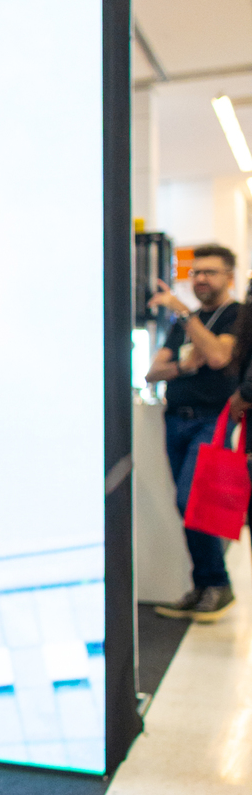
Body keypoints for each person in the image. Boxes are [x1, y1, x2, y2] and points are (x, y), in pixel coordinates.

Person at [147, 244, 240, 620]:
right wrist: (185, 366)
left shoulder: (237, 315)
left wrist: (184, 314)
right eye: (196, 272)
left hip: (212, 420)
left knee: (194, 501)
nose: (201, 278)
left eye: (210, 272)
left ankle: (217, 583)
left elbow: (218, 356)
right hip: (175, 420)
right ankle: (203, 585)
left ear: (228, 277)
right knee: (185, 504)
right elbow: (153, 372)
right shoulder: (182, 325)